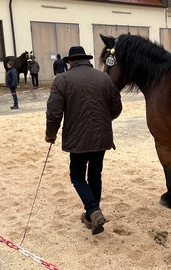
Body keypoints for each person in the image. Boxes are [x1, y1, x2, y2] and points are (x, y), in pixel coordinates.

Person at [45, 46, 122, 235]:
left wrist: (51, 134)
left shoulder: (62, 79)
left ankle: (93, 210)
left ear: (70, 61)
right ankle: (91, 216)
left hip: (77, 138)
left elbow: (54, 112)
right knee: (95, 174)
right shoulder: (104, 78)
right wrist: (104, 120)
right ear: (86, 60)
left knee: (77, 175)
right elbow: (117, 107)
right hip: (101, 136)